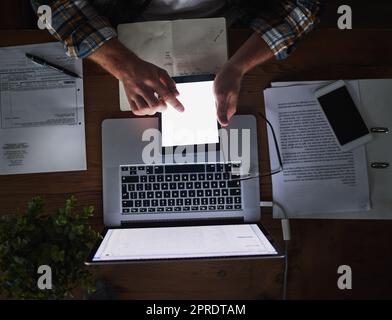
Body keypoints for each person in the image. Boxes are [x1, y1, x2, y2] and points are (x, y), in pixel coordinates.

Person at [31, 0, 323, 126]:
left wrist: (238, 66)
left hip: (233, 36)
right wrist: (123, 65)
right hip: (117, 36)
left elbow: (305, 7)